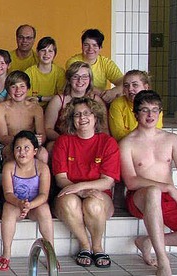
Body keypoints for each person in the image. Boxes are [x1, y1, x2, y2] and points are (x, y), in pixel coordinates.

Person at [120, 90, 177, 276]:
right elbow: (131, 181)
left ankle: (149, 241)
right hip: (140, 198)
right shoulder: (127, 143)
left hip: (168, 200)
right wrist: (168, 187)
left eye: (154, 110)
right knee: (153, 190)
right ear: (136, 114)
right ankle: (163, 261)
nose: (150, 115)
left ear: (160, 113)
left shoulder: (171, 139)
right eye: (145, 110)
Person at [52, 97, 119, 268]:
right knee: (69, 201)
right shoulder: (64, 141)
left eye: (87, 113)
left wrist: (80, 186)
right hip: (69, 192)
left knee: (94, 204)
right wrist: (78, 191)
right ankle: (85, 245)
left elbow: (107, 181)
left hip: (99, 195)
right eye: (77, 115)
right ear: (71, 119)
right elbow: (61, 179)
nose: (82, 118)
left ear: (95, 117)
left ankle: (97, 246)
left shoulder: (107, 142)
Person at [0, 130, 53, 271]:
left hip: (35, 205)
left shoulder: (42, 168)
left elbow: (44, 195)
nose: (22, 152)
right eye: (18, 148)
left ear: (35, 151)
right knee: (8, 209)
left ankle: (51, 254)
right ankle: (6, 253)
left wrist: (29, 205)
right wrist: (20, 204)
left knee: (44, 209)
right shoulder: (9, 167)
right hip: (15, 204)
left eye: (27, 148)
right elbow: (8, 193)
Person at [44, 61, 108, 152]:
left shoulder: (96, 100)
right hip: (65, 143)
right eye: (75, 76)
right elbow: (47, 129)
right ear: (69, 80)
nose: (80, 80)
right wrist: (66, 140)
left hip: (91, 142)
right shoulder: (58, 100)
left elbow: (104, 128)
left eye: (84, 77)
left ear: (90, 80)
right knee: (51, 147)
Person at [0, 70, 47, 163]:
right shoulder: (0, 108)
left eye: (22, 86)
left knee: (43, 153)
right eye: (13, 87)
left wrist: (33, 142)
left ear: (28, 88)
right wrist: (22, 142)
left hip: (30, 145)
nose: (18, 90)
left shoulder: (36, 108)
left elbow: (42, 135)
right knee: (13, 151)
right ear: (8, 89)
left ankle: (40, 177)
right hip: (9, 145)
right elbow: (3, 137)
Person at [66, 29, 123, 99]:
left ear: (100, 48)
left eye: (95, 45)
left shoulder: (106, 63)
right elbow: (80, 85)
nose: (90, 49)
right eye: (86, 45)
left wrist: (114, 91)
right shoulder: (73, 62)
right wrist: (104, 94)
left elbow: (124, 82)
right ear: (82, 46)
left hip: (98, 100)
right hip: (78, 99)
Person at [109, 70, 163, 141]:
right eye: (126, 86)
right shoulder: (117, 104)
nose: (130, 89)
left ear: (146, 87)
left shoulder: (154, 105)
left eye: (135, 85)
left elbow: (155, 131)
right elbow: (118, 135)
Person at [24, 36, 65, 107]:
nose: (46, 54)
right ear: (37, 52)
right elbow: (26, 97)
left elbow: (61, 98)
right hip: (33, 107)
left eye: (50, 51)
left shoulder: (60, 72)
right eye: (43, 50)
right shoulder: (29, 72)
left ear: (55, 53)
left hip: (54, 107)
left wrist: (40, 98)